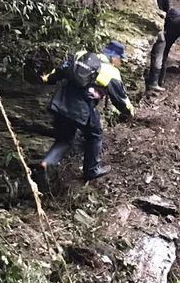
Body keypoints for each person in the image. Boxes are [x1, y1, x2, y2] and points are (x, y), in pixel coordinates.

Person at [35, 41, 134, 187]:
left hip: (61, 101)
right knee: (95, 135)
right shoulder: (110, 72)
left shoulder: (81, 55)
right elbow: (120, 100)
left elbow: (60, 71)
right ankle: (91, 170)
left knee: (64, 138)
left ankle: (45, 163)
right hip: (81, 107)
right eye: (120, 59)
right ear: (114, 57)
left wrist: (45, 79)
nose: (120, 62)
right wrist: (130, 112)